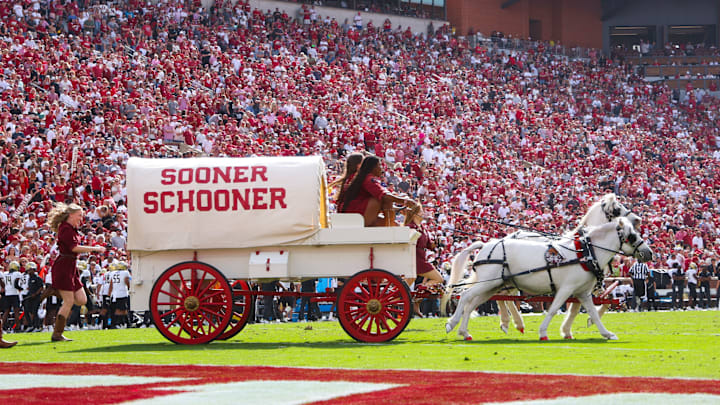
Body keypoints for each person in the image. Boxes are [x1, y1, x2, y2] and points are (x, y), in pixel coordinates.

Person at [46, 203, 106, 341]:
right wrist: (94, 248)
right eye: (79, 215)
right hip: (64, 266)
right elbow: (73, 248)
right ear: (71, 215)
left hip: (71, 266)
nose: (81, 218)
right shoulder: (66, 229)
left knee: (82, 300)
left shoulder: (71, 228)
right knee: (69, 301)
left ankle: (55, 291)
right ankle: (57, 333)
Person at [339, 155, 417, 226]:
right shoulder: (368, 179)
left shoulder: (356, 178)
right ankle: (389, 228)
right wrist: (405, 201)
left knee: (396, 224)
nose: (381, 168)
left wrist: (399, 207)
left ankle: (390, 226)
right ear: (373, 167)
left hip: (349, 216)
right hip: (357, 217)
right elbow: (384, 196)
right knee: (384, 199)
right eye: (379, 165)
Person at [403, 204, 444, 317]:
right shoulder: (410, 226)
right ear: (415, 213)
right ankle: (419, 291)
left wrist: (436, 243)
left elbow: (429, 245)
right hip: (415, 259)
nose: (424, 213)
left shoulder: (422, 227)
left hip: (420, 258)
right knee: (439, 279)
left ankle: (417, 299)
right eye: (421, 211)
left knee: (405, 285)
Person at [107, 261, 131, 328]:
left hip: (114, 294)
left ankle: (125, 323)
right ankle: (118, 323)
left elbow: (111, 285)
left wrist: (108, 295)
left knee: (120, 309)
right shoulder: (125, 272)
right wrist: (129, 288)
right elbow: (126, 281)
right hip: (122, 293)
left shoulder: (112, 273)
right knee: (121, 310)